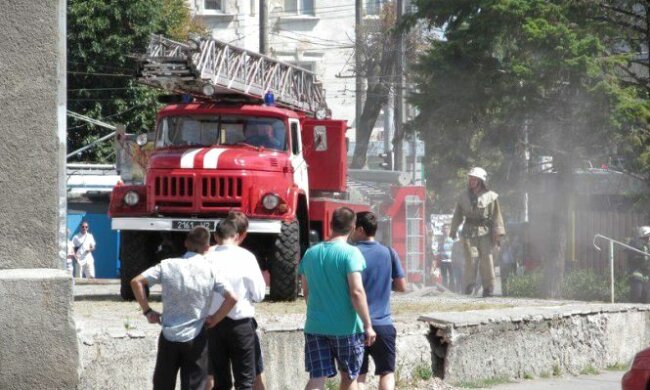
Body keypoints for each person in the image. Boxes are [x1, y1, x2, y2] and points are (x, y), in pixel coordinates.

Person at [130, 226, 238, 390]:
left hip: (168, 335)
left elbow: (136, 282)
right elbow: (232, 298)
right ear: (207, 248)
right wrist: (215, 318)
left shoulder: (167, 265)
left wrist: (148, 311)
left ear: (186, 243)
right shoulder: (211, 270)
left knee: (163, 385)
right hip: (196, 336)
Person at [298, 207, 376, 390]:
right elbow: (357, 292)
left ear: (331, 225)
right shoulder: (351, 253)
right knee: (349, 378)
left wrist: (318, 311)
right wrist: (368, 325)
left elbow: (306, 290)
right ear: (352, 227)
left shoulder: (311, 253)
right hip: (346, 328)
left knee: (317, 378)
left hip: (315, 326)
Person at [206, 211, 267, 390]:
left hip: (213, 325)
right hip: (240, 325)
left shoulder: (205, 256)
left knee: (220, 382)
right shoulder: (246, 257)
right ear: (236, 235)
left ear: (216, 236)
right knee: (245, 381)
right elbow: (259, 294)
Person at [351, 211, 406, 390]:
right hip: (383, 324)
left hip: (355, 325)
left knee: (358, 377)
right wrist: (384, 285)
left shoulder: (351, 253)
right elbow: (401, 286)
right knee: (387, 372)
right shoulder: (389, 253)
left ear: (360, 229)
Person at [449, 167, 505, 297]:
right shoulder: (463, 196)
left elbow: (497, 216)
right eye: (470, 179)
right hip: (468, 232)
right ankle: (469, 286)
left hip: (485, 232)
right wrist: (453, 229)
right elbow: (457, 215)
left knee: (487, 260)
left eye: (474, 179)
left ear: (481, 181)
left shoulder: (491, 197)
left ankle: (488, 288)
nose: (471, 181)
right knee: (471, 259)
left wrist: (498, 235)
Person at [627, 226, 650, 303]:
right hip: (636, 274)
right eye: (648, 236)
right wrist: (643, 256)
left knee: (646, 298)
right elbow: (632, 258)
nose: (649, 239)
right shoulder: (635, 243)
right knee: (636, 296)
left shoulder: (647, 245)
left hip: (646, 276)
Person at [437, 224, 454, 289]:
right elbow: (438, 248)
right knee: (444, 276)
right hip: (443, 260)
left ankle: (452, 289)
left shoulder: (452, 238)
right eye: (444, 229)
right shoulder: (440, 239)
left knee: (452, 275)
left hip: (451, 260)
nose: (445, 230)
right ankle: (444, 289)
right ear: (442, 230)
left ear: (449, 230)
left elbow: (455, 248)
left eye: (446, 228)